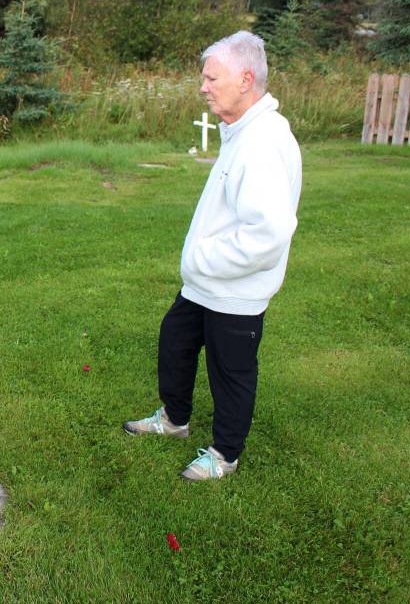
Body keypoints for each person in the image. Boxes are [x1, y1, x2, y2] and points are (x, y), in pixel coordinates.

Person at [122, 31, 302, 481]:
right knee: (175, 342)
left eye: (211, 77)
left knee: (232, 374)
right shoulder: (241, 131)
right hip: (206, 285)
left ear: (245, 80)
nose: (203, 86)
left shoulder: (263, 142)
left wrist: (205, 259)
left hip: (235, 290)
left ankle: (224, 456)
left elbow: (268, 233)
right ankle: (175, 420)